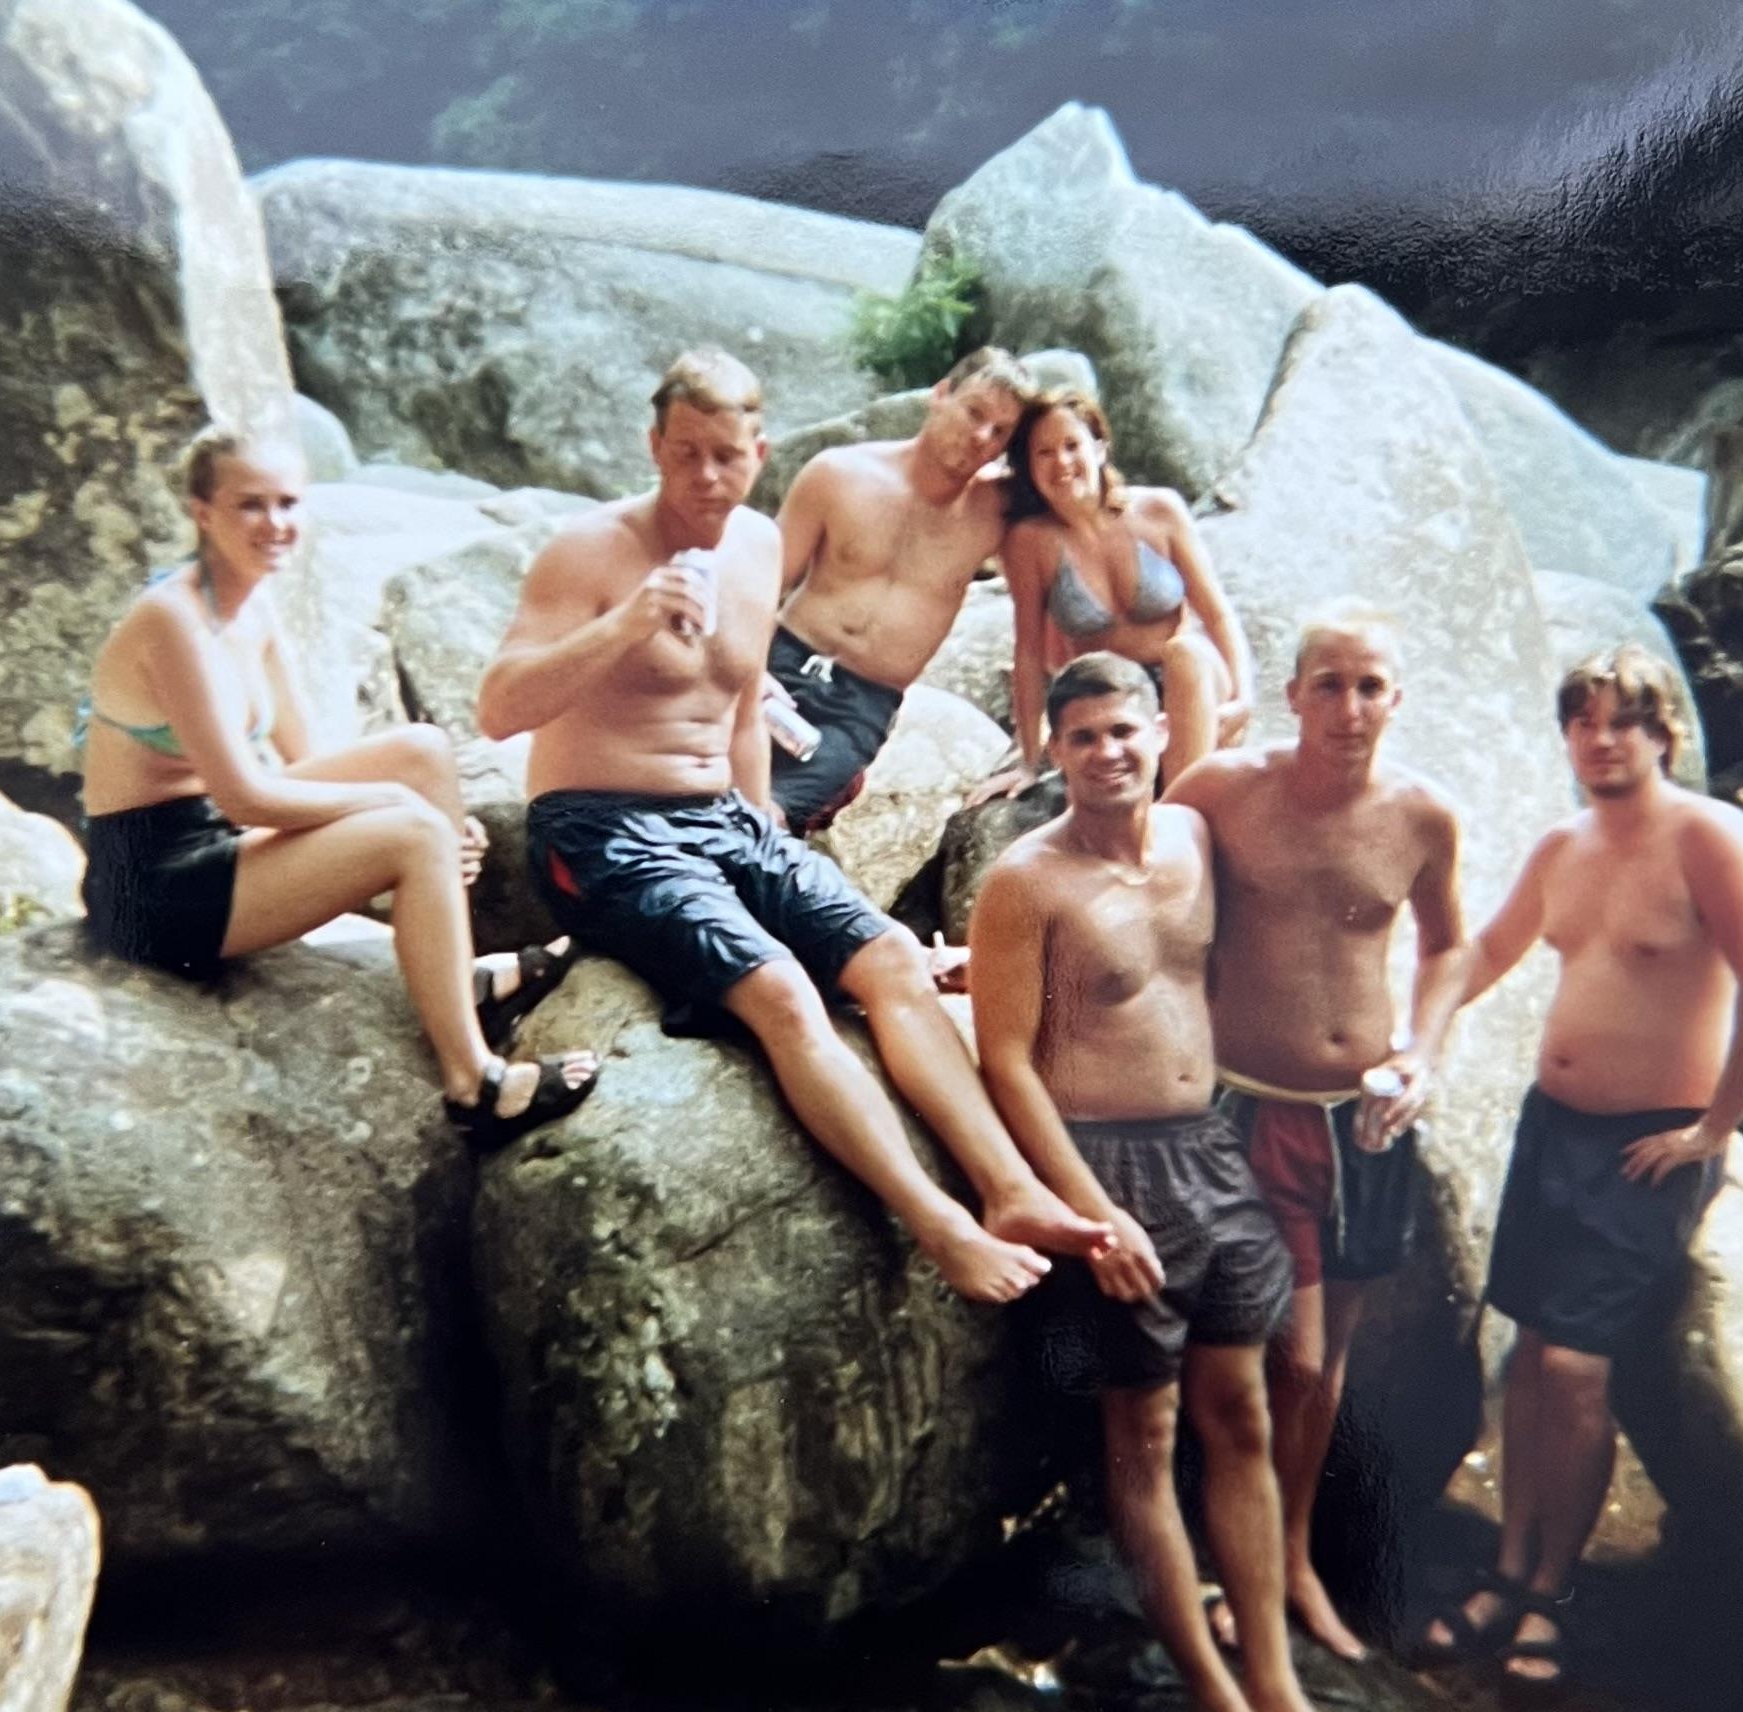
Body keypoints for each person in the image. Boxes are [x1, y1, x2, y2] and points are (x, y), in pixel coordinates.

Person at [476, 349, 1111, 1301]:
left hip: (722, 817)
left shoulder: (752, 549)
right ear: (654, 446)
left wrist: (763, 839)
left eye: (727, 456)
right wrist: (624, 625)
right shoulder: (590, 549)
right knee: (779, 989)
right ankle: (939, 1223)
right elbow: (497, 709)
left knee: (891, 960)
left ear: (759, 455)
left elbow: (739, 708)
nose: (707, 476)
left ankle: (1009, 1190)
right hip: (599, 827)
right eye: (686, 453)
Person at [971, 652, 1388, 1712]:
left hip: (1212, 1152)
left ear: (1160, 734)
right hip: (1107, 1167)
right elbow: (1005, 1061)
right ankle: (1216, 1707)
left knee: (1242, 1417)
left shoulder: (1196, 840)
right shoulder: (1026, 882)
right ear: (1055, 750)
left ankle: (1278, 1691)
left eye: (1125, 731)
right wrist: (1088, 1215)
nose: (1108, 753)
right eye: (1084, 736)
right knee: (1143, 1440)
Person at [1412, 645, 1743, 1700]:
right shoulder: (1563, 845)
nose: (1601, 739)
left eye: (1623, 720)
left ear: (1664, 732)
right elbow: (1484, 954)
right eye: (1582, 722)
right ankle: (1506, 1569)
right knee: (1533, 1360)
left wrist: (1713, 1130)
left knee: (1579, 1371)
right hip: (1553, 1132)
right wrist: (1416, 1041)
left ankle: (1551, 1592)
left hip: (1647, 1145)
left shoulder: (1710, 838)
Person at [78, 424, 598, 1148]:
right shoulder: (174, 622)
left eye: (288, 503)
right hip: (151, 888)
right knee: (410, 827)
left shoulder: (252, 605)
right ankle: (474, 1084)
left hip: (216, 836)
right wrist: (406, 819)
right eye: (251, 505)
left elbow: (309, 760)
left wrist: (418, 813)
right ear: (203, 513)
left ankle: (457, 979)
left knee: (419, 752)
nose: (275, 523)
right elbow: (248, 797)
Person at [1166, 609, 1466, 1663]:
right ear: (1292, 695)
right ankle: (1237, 1564)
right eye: (1329, 685)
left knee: (1325, 1363)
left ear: (1397, 698)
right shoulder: (1219, 791)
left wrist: (1423, 1054)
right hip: (1247, 1105)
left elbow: (1449, 948)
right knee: (1275, 1355)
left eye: (1370, 686)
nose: (1349, 708)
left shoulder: (1423, 816)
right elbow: (1138, 894)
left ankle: (1290, 1561)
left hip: (1362, 1122)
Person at [761, 346, 1038, 833]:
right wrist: (748, 674)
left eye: (1000, 432)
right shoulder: (838, 474)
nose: (982, 437)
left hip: (860, 706)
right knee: (694, 784)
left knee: (768, 817)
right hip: (781, 663)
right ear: (940, 394)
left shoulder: (997, 513)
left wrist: (1030, 756)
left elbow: (1033, 634)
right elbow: (760, 584)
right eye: (974, 412)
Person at [987, 390, 1256, 799]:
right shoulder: (1030, 542)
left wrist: (1244, 698)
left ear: (1099, 448)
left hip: (1190, 687)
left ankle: (1177, 814)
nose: (1061, 462)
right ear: (1029, 466)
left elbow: (1218, 614)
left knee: (1186, 651)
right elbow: (1028, 654)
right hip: (1113, 697)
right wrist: (1028, 760)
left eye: (1072, 445)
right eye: (1044, 453)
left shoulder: (1160, 511)